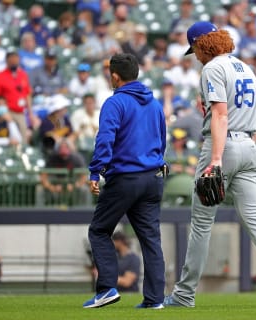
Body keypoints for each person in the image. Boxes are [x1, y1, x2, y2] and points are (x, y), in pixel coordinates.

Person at [164, 21, 256, 309]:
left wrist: (215, 159)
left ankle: (184, 294)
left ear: (202, 44)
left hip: (222, 147)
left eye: (195, 49)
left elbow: (221, 115)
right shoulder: (245, 67)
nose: (195, 55)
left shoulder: (212, 68)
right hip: (250, 146)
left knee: (201, 224)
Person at [83, 53, 166, 309]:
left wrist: (95, 171)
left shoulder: (115, 102)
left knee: (99, 230)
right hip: (153, 177)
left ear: (115, 76)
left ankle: (107, 288)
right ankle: (154, 300)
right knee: (151, 239)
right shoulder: (155, 104)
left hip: (125, 177)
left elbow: (105, 139)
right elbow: (162, 140)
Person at [0, 51, 32, 144]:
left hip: (20, 112)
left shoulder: (23, 75)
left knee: (23, 138)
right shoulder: (0, 76)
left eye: (15, 60)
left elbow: (27, 94)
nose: (13, 62)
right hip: (6, 112)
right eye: (11, 60)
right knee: (11, 137)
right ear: (7, 61)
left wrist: (31, 113)